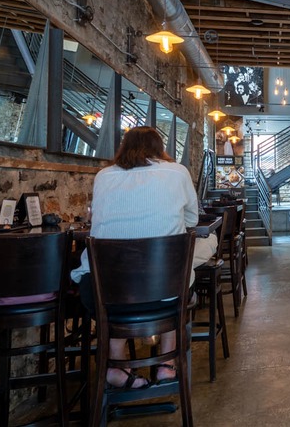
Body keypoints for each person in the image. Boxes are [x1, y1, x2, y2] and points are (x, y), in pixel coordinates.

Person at [70, 126, 216, 388]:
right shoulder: (178, 171)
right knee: (186, 262)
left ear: (123, 148)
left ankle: (116, 366)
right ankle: (166, 364)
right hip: (164, 294)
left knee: (120, 285)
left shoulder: (103, 176)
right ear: (160, 148)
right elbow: (193, 220)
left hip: (100, 295)